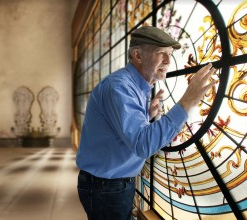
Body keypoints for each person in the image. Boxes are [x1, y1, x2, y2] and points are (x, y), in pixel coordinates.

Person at [76, 25, 217, 220]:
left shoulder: (135, 86)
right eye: (161, 54)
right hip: (105, 187)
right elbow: (142, 144)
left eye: (170, 54)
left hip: (110, 184)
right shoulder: (120, 87)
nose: (168, 61)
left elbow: (120, 130)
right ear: (138, 56)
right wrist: (186, 102)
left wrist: (147, 115)